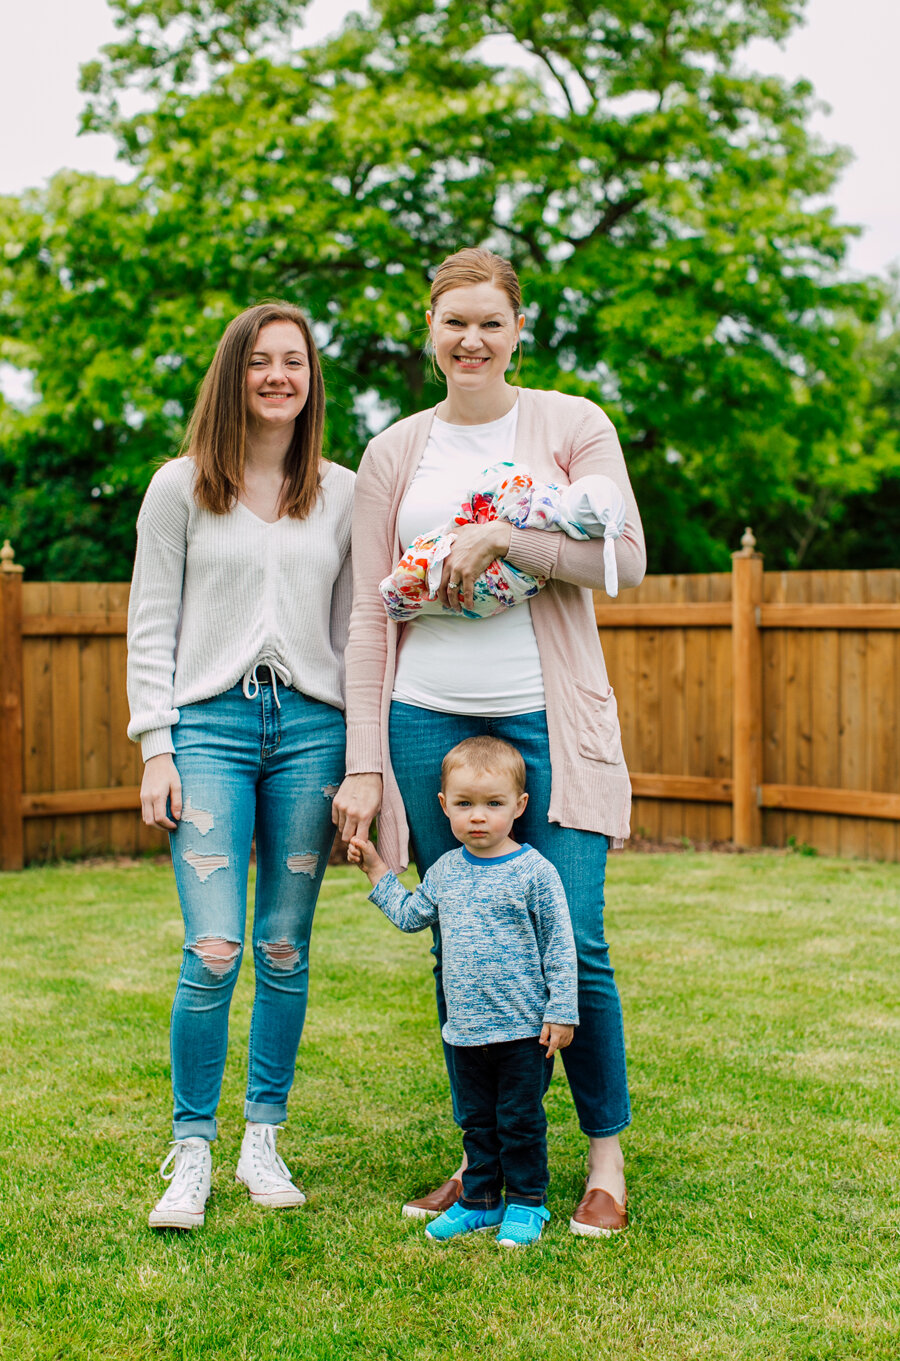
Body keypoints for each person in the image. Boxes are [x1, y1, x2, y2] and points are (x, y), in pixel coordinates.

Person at [333, 247, 645, 1238]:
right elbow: (368, 613)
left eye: (490, 322)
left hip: (548, 720)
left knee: (577, 937)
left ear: (518, 331)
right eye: (454, 321)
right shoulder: (394, 452)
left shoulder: (572, 424)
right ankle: (487, 1162)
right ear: (430, 329)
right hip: (425, 718)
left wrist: (505, 538)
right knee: (461, 945)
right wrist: (365, 759)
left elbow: (625, 557)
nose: (471, 340)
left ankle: (604, 1159)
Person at [127, 301, 354, 1231]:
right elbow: (152, 619)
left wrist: (363, 762)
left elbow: (355, 631)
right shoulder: (178, 487)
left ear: (311, 379)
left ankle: (264, 1135)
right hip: (209, 729)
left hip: (311, 731)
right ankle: (192, 1148)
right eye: (260, 360)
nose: (276, 376)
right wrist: (156, 744)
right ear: (234, 373)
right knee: (214, 948)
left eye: (293, 361)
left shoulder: (341, 492)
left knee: (284, 946)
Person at [349, 736, 578, 1248]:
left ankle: (527, 1203)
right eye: (464, 804)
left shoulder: (534, 872)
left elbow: (560, 945)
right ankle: (480, 1201)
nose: (478, 816)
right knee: (476, 1122)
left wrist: (562, 1011)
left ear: (519, 805)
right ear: (444, 805)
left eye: (493, 804)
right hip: (466, 1031)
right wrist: (377, 871)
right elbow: (411, 916)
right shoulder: (445, 871)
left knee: (519, 1122)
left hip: (524, 1031)